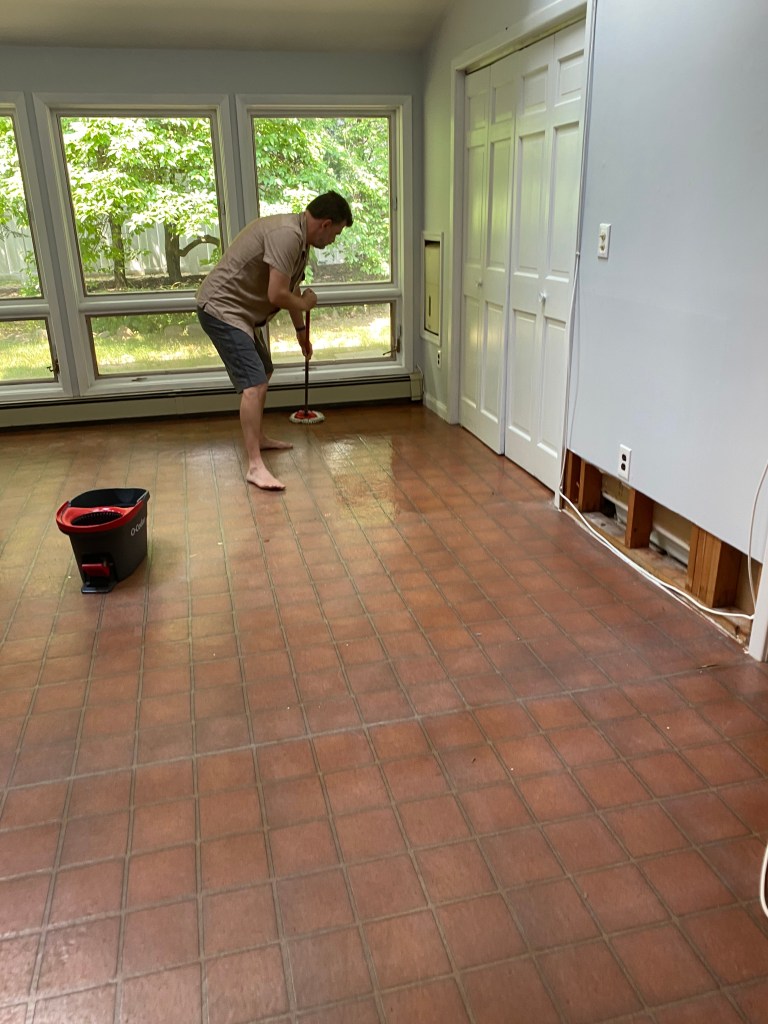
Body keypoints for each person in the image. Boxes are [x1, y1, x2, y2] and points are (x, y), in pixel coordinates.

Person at [196, 191, 353, 491]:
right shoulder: (287, 236)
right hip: (221, 308)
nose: (333, 240)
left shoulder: (300, 242)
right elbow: (277, 294)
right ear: (325, 224)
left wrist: (301, 332)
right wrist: (305, 304)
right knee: (254, 384)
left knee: (264, 371)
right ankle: (255, 467)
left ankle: (259, 439)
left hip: (239, 313)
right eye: (336, 233)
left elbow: (290, 289)